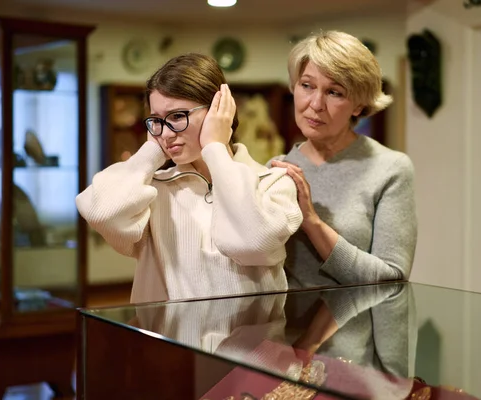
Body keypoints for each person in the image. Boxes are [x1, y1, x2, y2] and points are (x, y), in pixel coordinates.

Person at [76, 53, 302, 303]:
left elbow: (251, 243)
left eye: (176, 116)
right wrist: (151, 152)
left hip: (248, 342)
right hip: (165, 341)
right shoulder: (154, 187)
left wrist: (214, 147)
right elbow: (100, 212)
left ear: (220, 111)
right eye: (156, 120)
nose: (165, 133)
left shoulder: (274, 182)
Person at [270, 30, 417, 289]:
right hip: (284, 328)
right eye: (307, 85)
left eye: (334, 92)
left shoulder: (390, 169)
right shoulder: (275, 168)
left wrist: (312, 222)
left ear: (359, 105)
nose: (315, 104)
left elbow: (392, 278)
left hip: (354, 328)